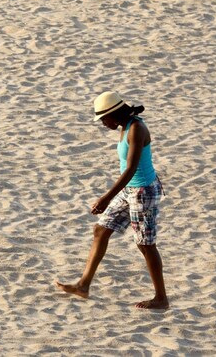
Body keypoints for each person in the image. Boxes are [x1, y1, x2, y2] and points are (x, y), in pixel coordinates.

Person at [55, 91, 169, 309]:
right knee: (101, 230)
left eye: (103, 119)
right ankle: (83, 285)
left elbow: (131, 169)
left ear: (114, 113)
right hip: (129, 190)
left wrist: (106, 198)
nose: (103, 124)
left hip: (143, 192)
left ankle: (161, 298)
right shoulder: (125, 126)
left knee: (146, 245)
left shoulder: (136, 129)